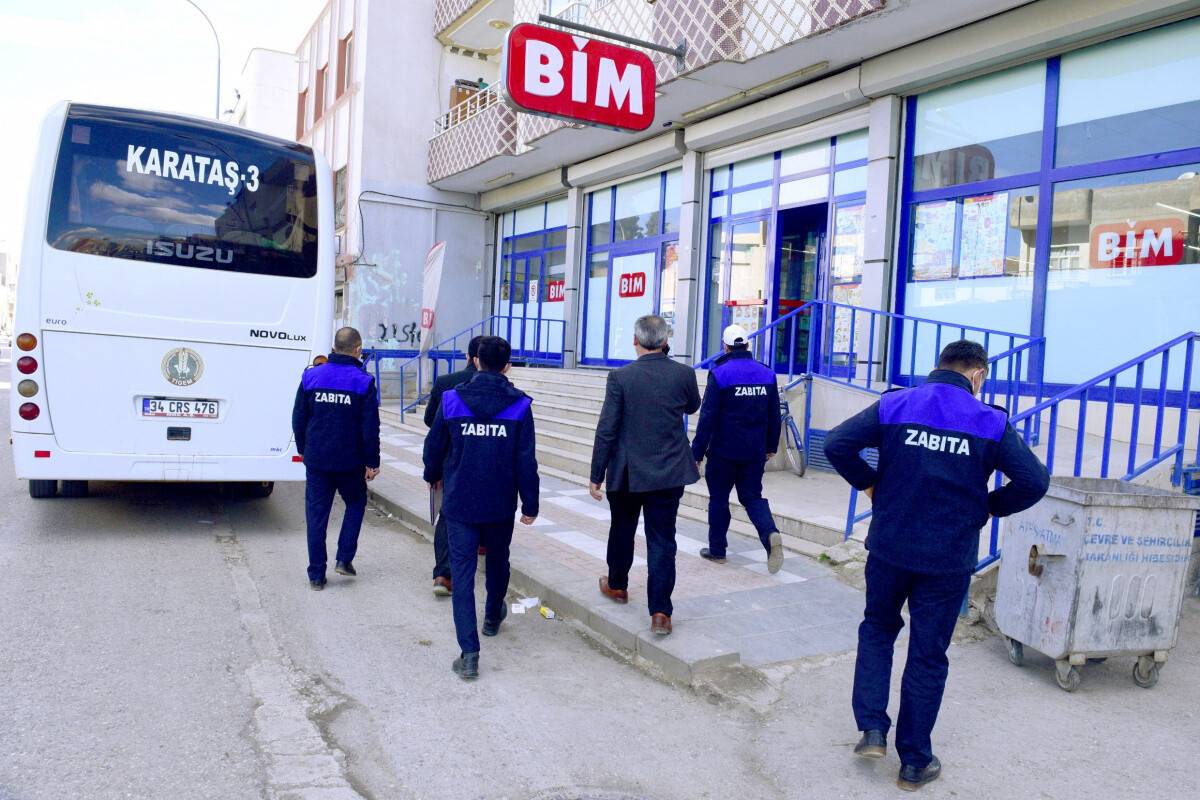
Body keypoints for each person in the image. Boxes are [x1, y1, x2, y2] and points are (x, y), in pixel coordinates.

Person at [824, 340, 1049, 792]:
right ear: (978, 376)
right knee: (928, 655)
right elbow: (1035, 480)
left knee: (877, 630)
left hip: (890, 548)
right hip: (947, 558)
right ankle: (914, 762)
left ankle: (871, 729)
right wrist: (989, 506)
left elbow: (836, 444)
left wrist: (870, 485)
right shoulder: (990, 421)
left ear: (938, 367)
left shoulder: (896, 403)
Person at [422, 336, 539, 680]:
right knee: (498, 562)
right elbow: (525, 461)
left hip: (460, 502)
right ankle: (492, 617)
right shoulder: (519, 405)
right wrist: (530, 504)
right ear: (506, 366)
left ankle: (469, 654)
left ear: (476, 362)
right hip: (501, 503)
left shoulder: (453, 399)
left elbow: (434, 448)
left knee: (462, 574)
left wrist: (432, 475)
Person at [589, 314, 702, 636]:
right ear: (666, 341)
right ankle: (661, 613)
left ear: (635, 342)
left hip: (627, 472)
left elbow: (607, 429)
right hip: (669, 472)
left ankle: (618, 585)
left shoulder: (621, 377)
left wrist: (597, 473)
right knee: (663, 541)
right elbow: (693, 407)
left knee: (621, 530)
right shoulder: (684, 374)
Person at [292, 326, 382, 591]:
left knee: (316, 516)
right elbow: (369, 427)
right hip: (349, 462)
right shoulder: (363, 381)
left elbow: (298, 418)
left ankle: (316, 575)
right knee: (355, 502)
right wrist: (372, 462)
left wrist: (303, 449)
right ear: (357, 350)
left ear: (333, 348)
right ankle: (344, 558)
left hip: (317, 460)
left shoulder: (311, 377)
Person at [692, 324, 785, 573]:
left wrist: (697, 453)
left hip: (723, 451)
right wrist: (771, 446)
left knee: (719, 498)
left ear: (725, 346)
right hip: (754, 451)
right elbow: (774, 415)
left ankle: (717, 550)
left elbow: (707, 418)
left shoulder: (720, 374)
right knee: (752, 497)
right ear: (747, 345)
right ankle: (770, 534)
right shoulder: (767, 373)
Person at [424, 335, 485, 597]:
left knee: (447, 516)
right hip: (485, 464)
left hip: (451, 461)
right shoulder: (503, 390)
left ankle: (443, 574)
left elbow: (431, 423)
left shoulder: (446, 383)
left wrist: (432, 469)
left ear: (469, 357)